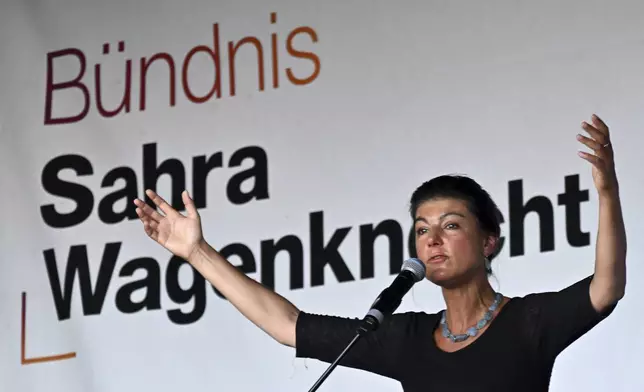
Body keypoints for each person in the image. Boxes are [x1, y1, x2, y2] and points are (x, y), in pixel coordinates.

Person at [133, 114, 626, 391]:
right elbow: (288, 326)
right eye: (421, 229)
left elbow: (606, 288)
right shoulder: (403, 337)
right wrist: (198, 253)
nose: (432, 239)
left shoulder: (528, 322)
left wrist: (605, 191)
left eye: (451, 225)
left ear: (489, 239)